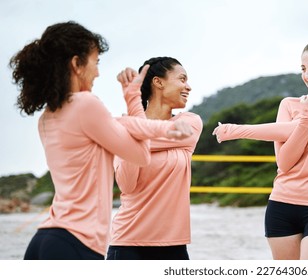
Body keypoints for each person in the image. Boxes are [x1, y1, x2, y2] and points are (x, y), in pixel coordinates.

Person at [9, 21, 193, 260]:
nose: (97, 72)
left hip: (45, 240)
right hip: (77, 242)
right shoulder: (87, 104)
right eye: (95, 62)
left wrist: (131, 121)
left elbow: (124, 131)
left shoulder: (47, 117)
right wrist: (133, 100)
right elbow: (140, 154)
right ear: (76, 64)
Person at [212, 40, 308, 260]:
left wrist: (238, 130)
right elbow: (285, 163)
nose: (307, 75)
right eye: (303, 68)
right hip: (282, 204)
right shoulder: (289, 104)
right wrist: (307, 117)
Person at [107, 57, 202, 260]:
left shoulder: (190, 122)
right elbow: (127, 184)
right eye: (182, 79)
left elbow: (142, 137)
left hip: (174, 245)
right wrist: (133, 119)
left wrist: (132, 134)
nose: (188, 87)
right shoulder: (124, 127)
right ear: (158, 82)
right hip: (127, 243)